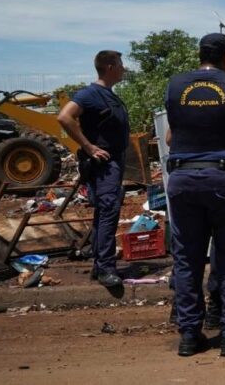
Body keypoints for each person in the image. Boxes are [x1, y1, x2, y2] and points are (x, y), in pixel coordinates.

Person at [165, 33, 225, 357]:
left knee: (187, 259)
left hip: (182, 179)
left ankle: (189, 337)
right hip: (223, 180)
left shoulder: (176, 87)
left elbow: (168, 136)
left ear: (199, 56)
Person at [58, 50, 130, 288]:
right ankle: (107, 269)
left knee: (105, 213)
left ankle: (100, 265)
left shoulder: (108, 94)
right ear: (110, 67)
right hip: (103, 164)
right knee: (108, 212)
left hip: (113, 162)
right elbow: (64, 117)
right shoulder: (90, 94)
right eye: (120, 64)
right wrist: (88, 147)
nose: (123, 68)